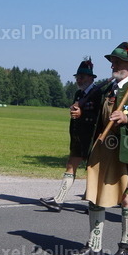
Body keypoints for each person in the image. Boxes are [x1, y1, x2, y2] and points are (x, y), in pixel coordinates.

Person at [67, 39, 128, 255]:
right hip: (101, 151)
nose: (113, 66)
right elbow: (97, 118)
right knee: (95, 197)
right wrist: (80, 114)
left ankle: (125, 248)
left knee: (127, 198)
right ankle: (94, 247)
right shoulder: (108, 87)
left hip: (127, 152)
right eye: (112, 62)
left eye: (117, 62)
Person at [40, 57, 103, 212]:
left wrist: (83, 114)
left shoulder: (98, 94)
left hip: (92, 136)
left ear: (90, 78)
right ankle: (59, 199)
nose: (78, 80)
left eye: (81, 77)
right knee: (71, 165)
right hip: (78, 135)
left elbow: (101, 117)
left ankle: (93, 202)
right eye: (77, 77)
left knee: (93, 170)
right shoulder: (79, 94)